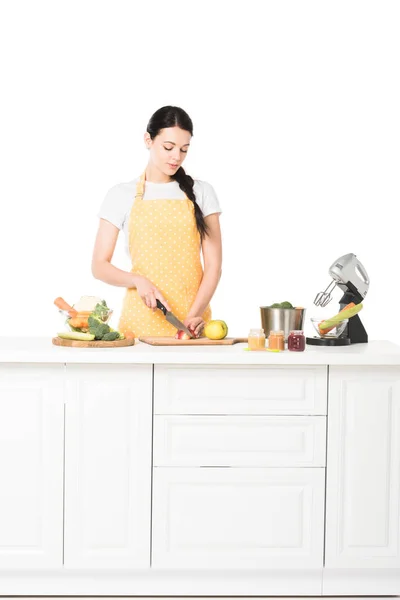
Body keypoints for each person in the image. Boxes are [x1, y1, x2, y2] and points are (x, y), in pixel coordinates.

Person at [92, 105, 222, 338]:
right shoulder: (121, 194)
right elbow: (99, 266)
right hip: (140, 325)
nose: (177, 157)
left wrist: (193, 316)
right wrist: (137, 280)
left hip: (193, 325)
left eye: (184, 149)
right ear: (148, 140)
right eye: (168, 147)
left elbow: (213, 266)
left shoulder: (202, 192)